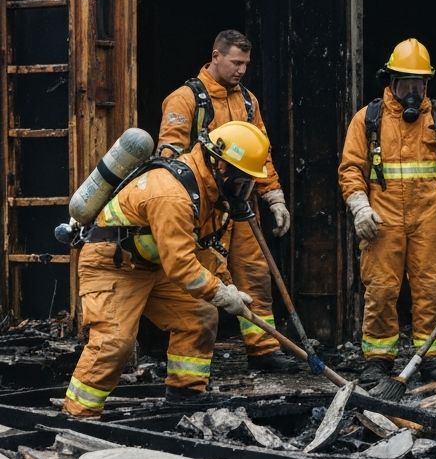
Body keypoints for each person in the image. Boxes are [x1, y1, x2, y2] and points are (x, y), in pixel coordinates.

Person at [63, 121, 270, 417]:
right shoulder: (172, 195)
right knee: (114, 342)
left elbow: (205, 249)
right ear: (219, 166)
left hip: (154, 265)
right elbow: (183, 267)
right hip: (113, 264)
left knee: (198, 314)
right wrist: (221, 294)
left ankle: (184, 396)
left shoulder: (205, 192)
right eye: (241, 183)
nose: (242, 192)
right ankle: (79, 414)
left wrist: (226, 284)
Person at [338, 38, 436, 401]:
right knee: (381, 288)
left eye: (419, 83)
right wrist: (360, 207)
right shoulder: (369, 119)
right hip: (382, 219)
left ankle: (431, 355)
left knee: (430, 285)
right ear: (391, 80)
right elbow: (351, 168)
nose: (413, 90)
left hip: (428, 217)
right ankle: (379, 358)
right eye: (406, 82)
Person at [159, 29, 295, 372]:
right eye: (236, 62)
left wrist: (273, 195)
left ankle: (263, 349)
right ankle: (192, 361)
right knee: (199, 277)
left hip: (240, 203)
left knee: (254, 274)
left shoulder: (248, 100)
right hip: (204, 207)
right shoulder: (186, 99)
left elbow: (259, 153)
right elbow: (169, 156)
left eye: (246, 63)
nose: (241, 70)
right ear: (215, 56)